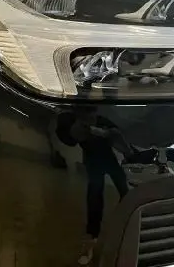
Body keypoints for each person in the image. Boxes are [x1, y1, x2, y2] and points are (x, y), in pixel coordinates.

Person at [56, 109, 131, 266]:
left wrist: (107, 133)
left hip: (109, 160)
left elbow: (118, 136)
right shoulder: (72, 120)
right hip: (93, 163)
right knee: (94, 197)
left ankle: (129, 226)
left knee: (124, 191)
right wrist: (76, 130)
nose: (89, 117)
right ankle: (91, 239)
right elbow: (67, 138)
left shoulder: (102, 120)